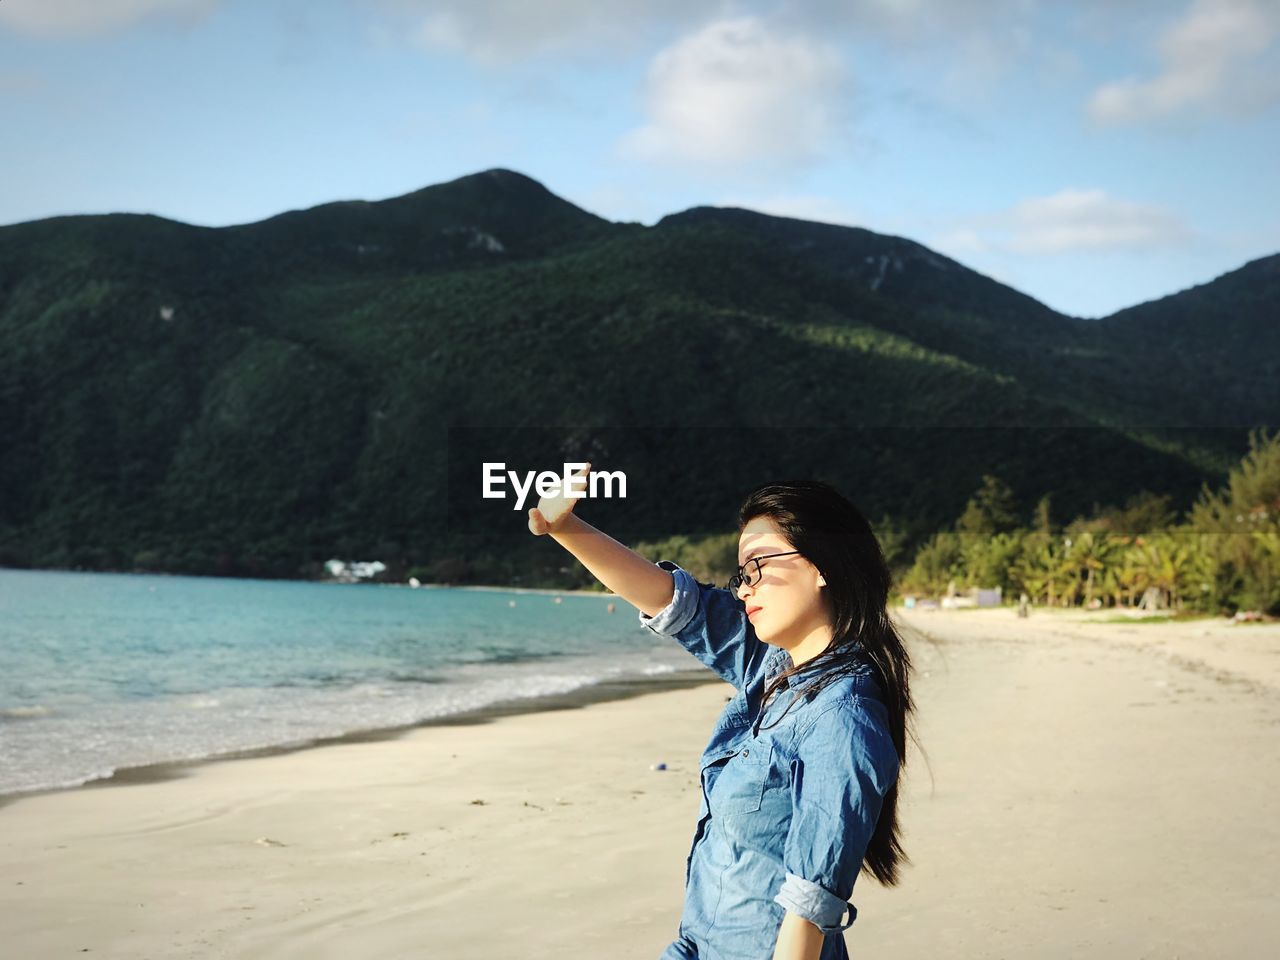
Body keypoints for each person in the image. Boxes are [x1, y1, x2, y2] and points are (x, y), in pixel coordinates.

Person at [528, 464, 915, 960]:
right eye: (740, 574)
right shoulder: (773, 666)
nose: (744, 588)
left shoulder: (843, 717)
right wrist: (565, 529)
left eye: (758, 567)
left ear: (822, 565)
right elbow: (675, 602)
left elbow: (811, 904)